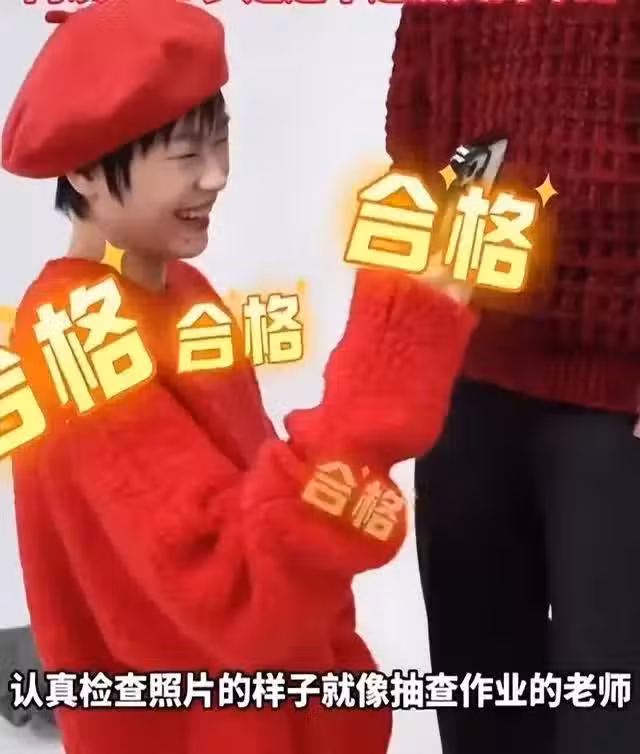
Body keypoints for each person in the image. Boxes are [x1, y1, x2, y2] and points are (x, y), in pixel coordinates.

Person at [2, 1, 478, 753]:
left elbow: (275, 501)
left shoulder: (180, 292)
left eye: (219, 139)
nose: (216, 175)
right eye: (184, 155)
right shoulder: (76, 334)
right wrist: (389, 366)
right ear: (84, 169)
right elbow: (236, 586)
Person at [385, 2, 640, 753]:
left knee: (612, 712)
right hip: (467, 368)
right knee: (482, 699)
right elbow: (416, 110)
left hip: (619, 394)